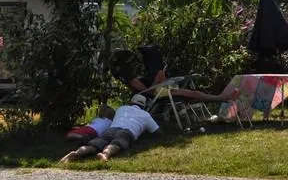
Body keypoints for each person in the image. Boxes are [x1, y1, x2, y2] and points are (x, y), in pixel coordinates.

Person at [110, 47, 239, 103]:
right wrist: (159, 79)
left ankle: (222, 98)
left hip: (161, 91)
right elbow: (148, 92)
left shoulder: (130, 77)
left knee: (192, 92)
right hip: (157, 95)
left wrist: (161, 78)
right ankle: (222, 98)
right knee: (192, 93)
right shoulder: (131, 79)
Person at [59, 94, 159, 163]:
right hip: (127, 131)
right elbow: (157, 131)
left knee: (95, 144)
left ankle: (76, 153)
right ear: (143, 105)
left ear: (130, 102)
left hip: (112, 129)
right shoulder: (146, 115)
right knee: (117, 143)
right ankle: (105, 155)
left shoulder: (121, 108)